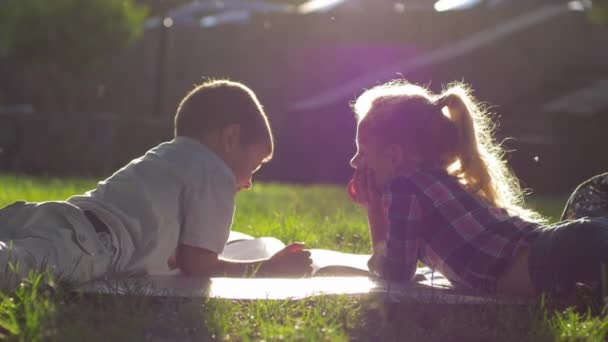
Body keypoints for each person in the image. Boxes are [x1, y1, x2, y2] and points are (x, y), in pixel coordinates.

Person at [0, 80, 312, 287]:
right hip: (88, 245)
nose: (247, 183)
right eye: (253, 167)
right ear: (230, 138)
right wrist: (267, 269)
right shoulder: (215, 171)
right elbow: (198, 266)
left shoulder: (170, 155)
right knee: (15, 269)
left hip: (54, 215)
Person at [346, 79, 608, 299]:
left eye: (363, 152)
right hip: (565, 246)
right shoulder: (445, 182)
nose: (354, 162)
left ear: (394, 157)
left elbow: (396, 274)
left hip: (557, 258)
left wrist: (374, 212)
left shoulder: (402, 187)